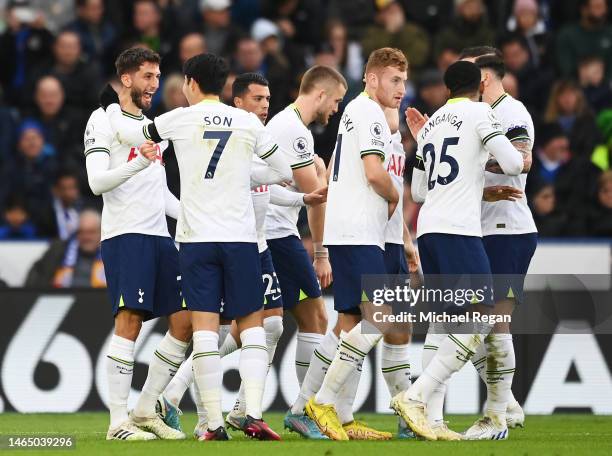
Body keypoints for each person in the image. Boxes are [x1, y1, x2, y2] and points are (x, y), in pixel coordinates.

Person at [105, 52, 292, 441]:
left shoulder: (177, 118)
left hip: (196, 239)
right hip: (241, 239)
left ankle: (213, 423)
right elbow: (282, 171)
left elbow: (132, 135)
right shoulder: (245, 121)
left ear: (190, 82)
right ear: (225, 86)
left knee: (204, 329)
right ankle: (253, 411)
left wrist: (112, 111)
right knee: (253, 325)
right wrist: (241, 173)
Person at [156, 72, 327, 439]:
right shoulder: (242, 135)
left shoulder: (243, 134)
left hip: (249, 243)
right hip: (241, 242)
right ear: (237, 101)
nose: (264, 106)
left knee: (265, 324)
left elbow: (265, 188)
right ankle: (195, 403)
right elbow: (259, 179)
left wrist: (298, 197)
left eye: (268, 99)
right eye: (258, 99)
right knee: (223, 328)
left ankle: (228, 413)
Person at [392, 60, 524, 441]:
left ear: (447, 88)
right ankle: (415, 396)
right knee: (482, 316)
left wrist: (472, 177)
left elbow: (417, 192)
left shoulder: (431, 124)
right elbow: (515, 162)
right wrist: (486, 158)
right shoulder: (481, 113)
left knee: (446, 323)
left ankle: (431, 419)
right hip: (459, 232)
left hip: (428, 229)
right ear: (482, 84)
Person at [86, 47, 191, 441]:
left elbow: (162, 195)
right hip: (125, 234)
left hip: (159, 237)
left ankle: (146, 408)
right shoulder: (101, 121)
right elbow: (97, 183)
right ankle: (118, 423)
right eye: (147, 76)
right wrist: (137, 162)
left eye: (158, 76)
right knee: (129, 322)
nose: (155, 84)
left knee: (185, 321)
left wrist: (196, 219)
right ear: (126, 79)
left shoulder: (150, 128)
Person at [302, 47, 406, 441]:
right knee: (379, 319)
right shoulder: (369, 113)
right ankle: (323, 401)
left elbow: (334, 171)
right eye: (395, 80)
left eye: (404, 82)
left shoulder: (354, 113)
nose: (401, 89)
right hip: (361, 231)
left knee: (349, 322)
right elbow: (374, 171)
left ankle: (342, 418)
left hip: (347, 231)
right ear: (373, 78)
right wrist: (394, 196)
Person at [259, 65, 346, 438]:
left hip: (272, 230)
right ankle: (302, 409)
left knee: (265, 325)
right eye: (337, 101)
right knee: (314, 320)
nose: (336, 110)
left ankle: (238, 405)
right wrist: (322, 253)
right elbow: (317, 194)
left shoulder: (289, 126)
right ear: (321, 94)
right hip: (278, 234)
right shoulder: (294, 131)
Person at [457, 48, 537, 440]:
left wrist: (471, 167)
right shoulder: (477, 114)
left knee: (493, 320)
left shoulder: (512, 113)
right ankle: (506, 402)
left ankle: (498, 418)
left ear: (484, 78)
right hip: (479, 228)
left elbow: (522, 160)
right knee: (466, 321)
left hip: (509, 228)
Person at [25, 209, 104, 287]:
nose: (86, 237)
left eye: (91, 232)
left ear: (101, 232)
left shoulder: (110, 253)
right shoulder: (58, 250)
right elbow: (37, 276)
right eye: (81, 232)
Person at [37, 170, 82, 240]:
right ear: (55, 190)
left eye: (72, 188)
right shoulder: (45, 214)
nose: (68, 193)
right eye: (64, 189)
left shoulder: (84, 211)